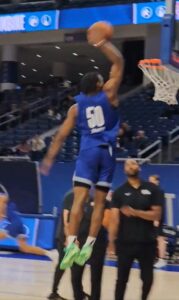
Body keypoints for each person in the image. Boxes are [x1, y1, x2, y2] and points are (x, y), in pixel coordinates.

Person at [41, 24, 123, 269]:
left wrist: (49, 158)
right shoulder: (109, 94)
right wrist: (102, 43)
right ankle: (89, 244)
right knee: (99, 204)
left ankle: (71, 244)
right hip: (107, 154)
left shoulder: (76, 108)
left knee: (78, 202)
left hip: (87, 153)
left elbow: (60, 137)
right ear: (99, 85)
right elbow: (118, 62)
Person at [109, 159, 162, 300]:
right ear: (124, 170)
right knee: (121, 280)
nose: (131, 166)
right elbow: (114, 219)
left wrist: (135, 212)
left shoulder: (152, 189)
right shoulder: (119, 192)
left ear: (139, 167)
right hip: (125, 242)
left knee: (147, 279)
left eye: (134, 163)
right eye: (127, 164)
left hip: (147, 243)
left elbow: (156, 215)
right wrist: (111, 242)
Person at [48, 190, 109, 300]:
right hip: (70, 239)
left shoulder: (98, 199)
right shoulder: (70, 196)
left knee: (87, 274)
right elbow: (66, 220)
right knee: (68, 268)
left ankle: (82, 294)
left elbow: (104, 221)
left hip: (88, 241)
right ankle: (55, 292)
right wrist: (69, 238)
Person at [0, 193, 58, 263]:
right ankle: (50, 253)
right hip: (18, 223)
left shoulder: (2, 200)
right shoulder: (7, 205)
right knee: (24, 248)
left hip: (14, 224)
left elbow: (3, 203)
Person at [149, 175, 167, 268]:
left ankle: (162, 259)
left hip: (157, 218)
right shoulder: (152, 192)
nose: (150, 182)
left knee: (160, 238)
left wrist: (156, 219)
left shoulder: (158, 191)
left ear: (157, 181)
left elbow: (159, 206)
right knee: (154, 239)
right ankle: (154, 258)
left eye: (152, 181)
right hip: (152, 218)